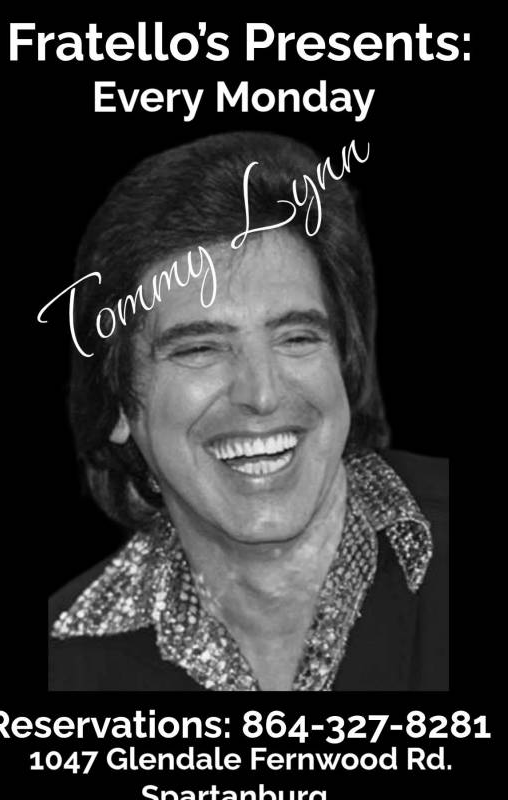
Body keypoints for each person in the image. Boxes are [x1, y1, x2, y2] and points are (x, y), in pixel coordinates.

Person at [48, 131, 448, 691]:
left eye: (296, 338)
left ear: (344, 363)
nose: (261, 394)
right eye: (199, 349)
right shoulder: (63, 663)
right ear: (117, 402)